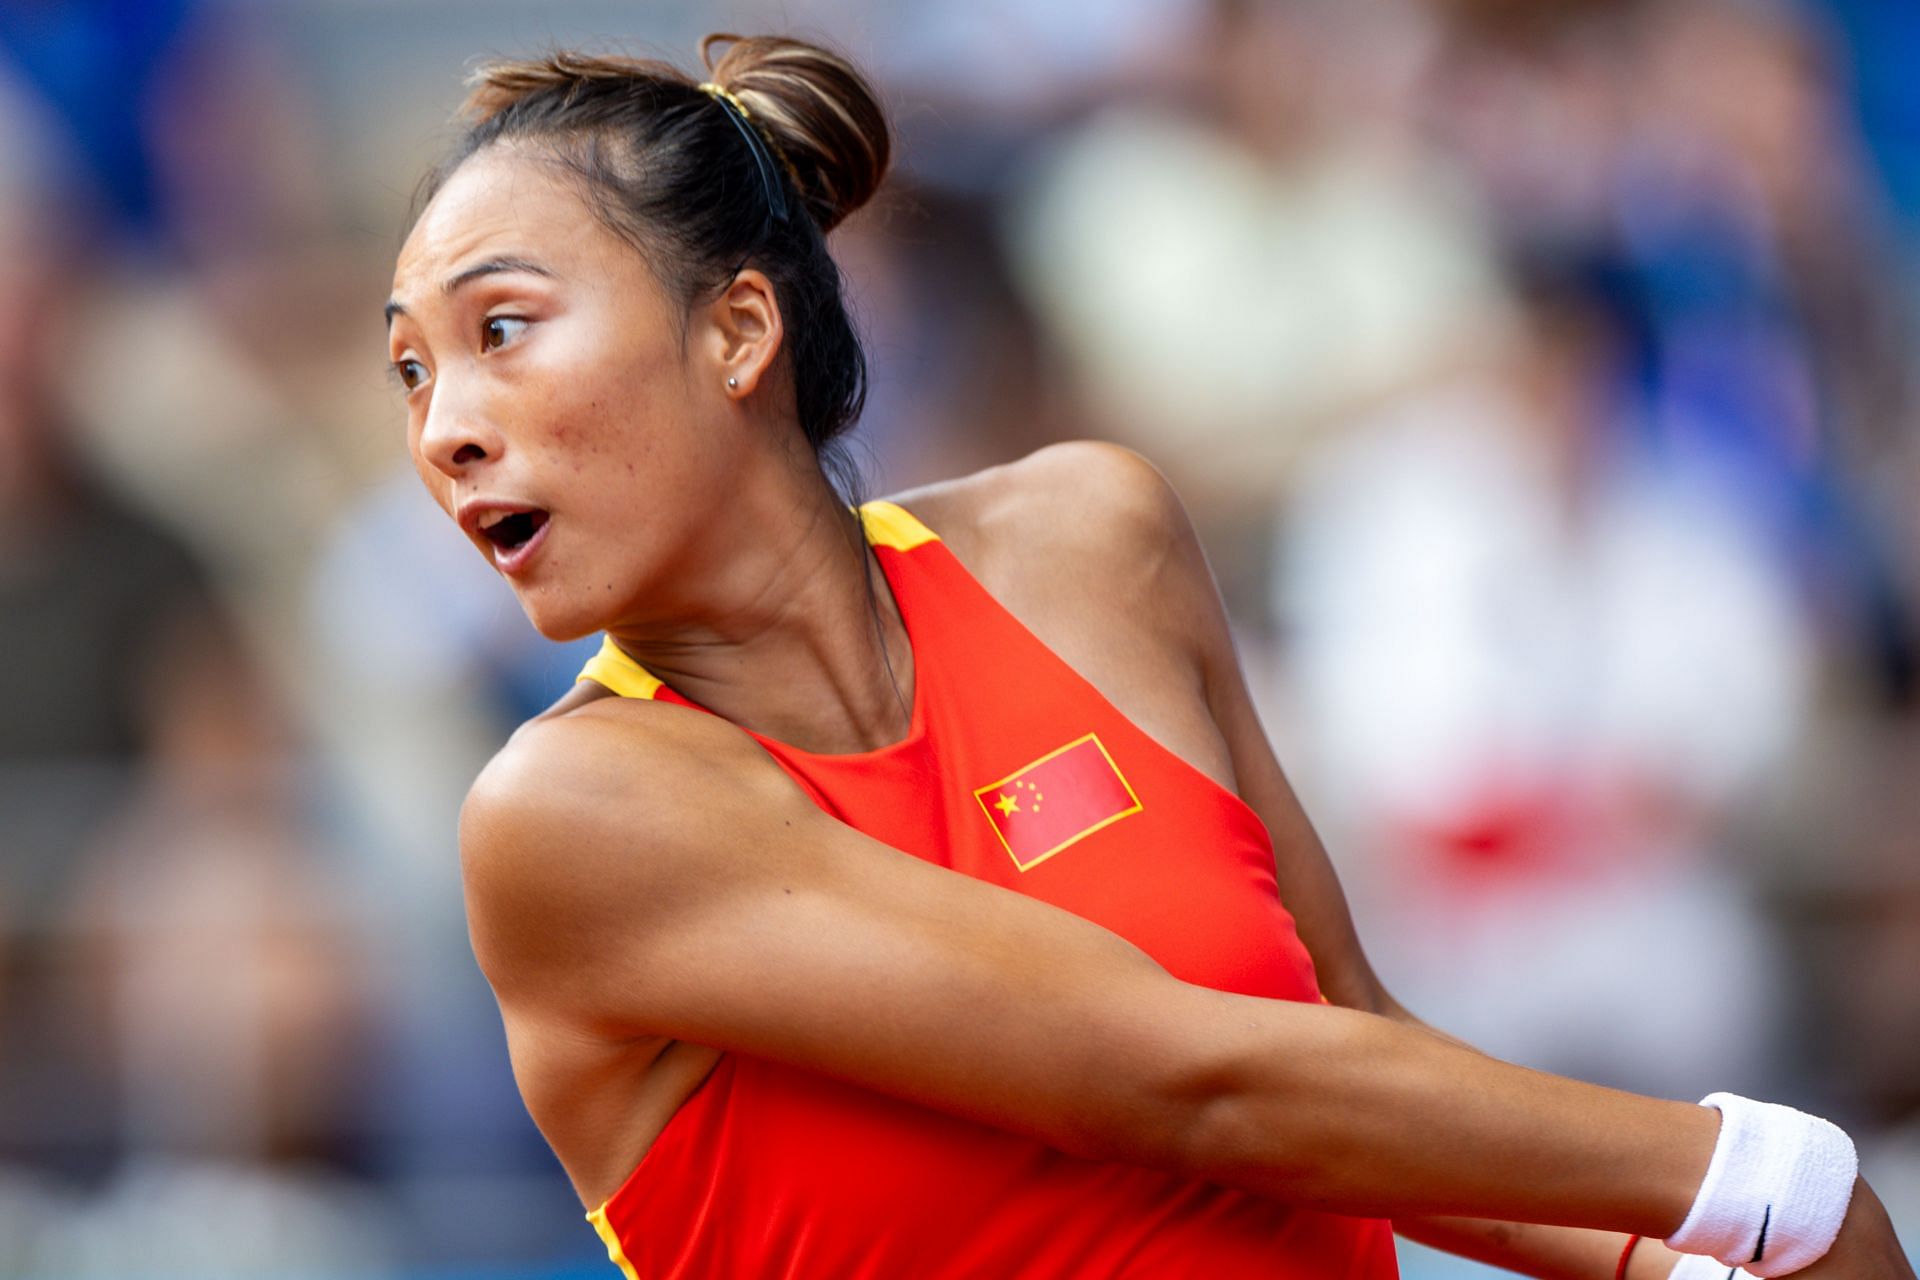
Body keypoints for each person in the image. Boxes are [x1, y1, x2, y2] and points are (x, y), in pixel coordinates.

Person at [383, 32, 1913, 1280]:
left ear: (735, 330)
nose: (443, 427)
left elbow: (1344, 1044)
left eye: (498, 328)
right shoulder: (568, 819)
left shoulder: (1089, 537)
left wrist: (1678, 1268)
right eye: (411, 369)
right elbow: (1193, 1080)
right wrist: (1755, 1185)